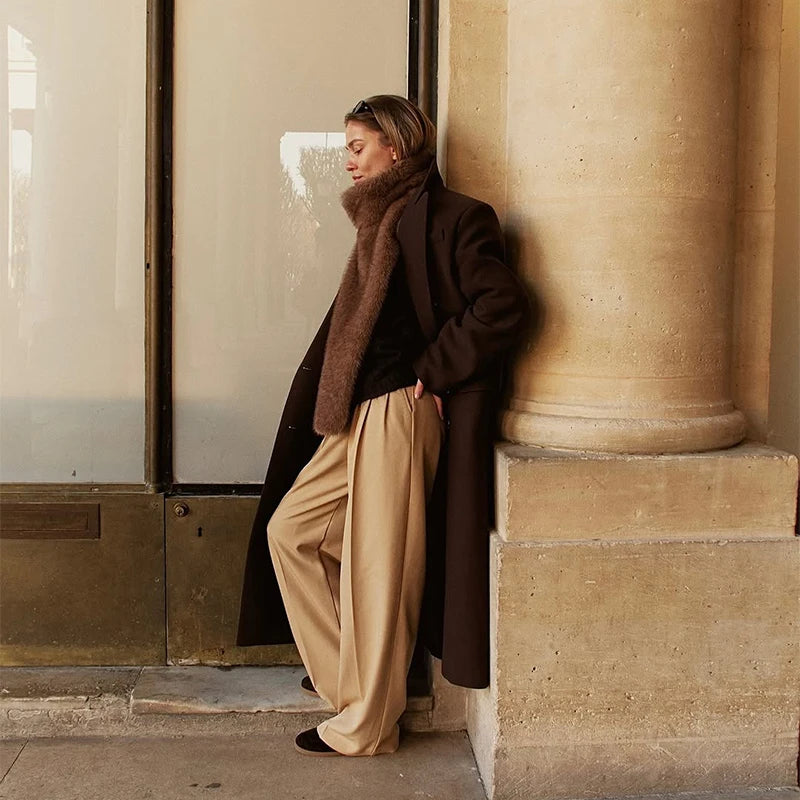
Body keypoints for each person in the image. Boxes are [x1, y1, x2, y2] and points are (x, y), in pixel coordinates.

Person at [236, 95, 530, 757]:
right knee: (293, 532)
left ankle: (366, 725)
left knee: (379, 568)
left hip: (400, 408)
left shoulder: (453, 216)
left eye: (358, 147)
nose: (348, 162)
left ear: (397, 147)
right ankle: (351, 684)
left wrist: (437, 367)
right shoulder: (376, 225)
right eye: (347, 149)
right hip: (355, 413)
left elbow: (502, 302)